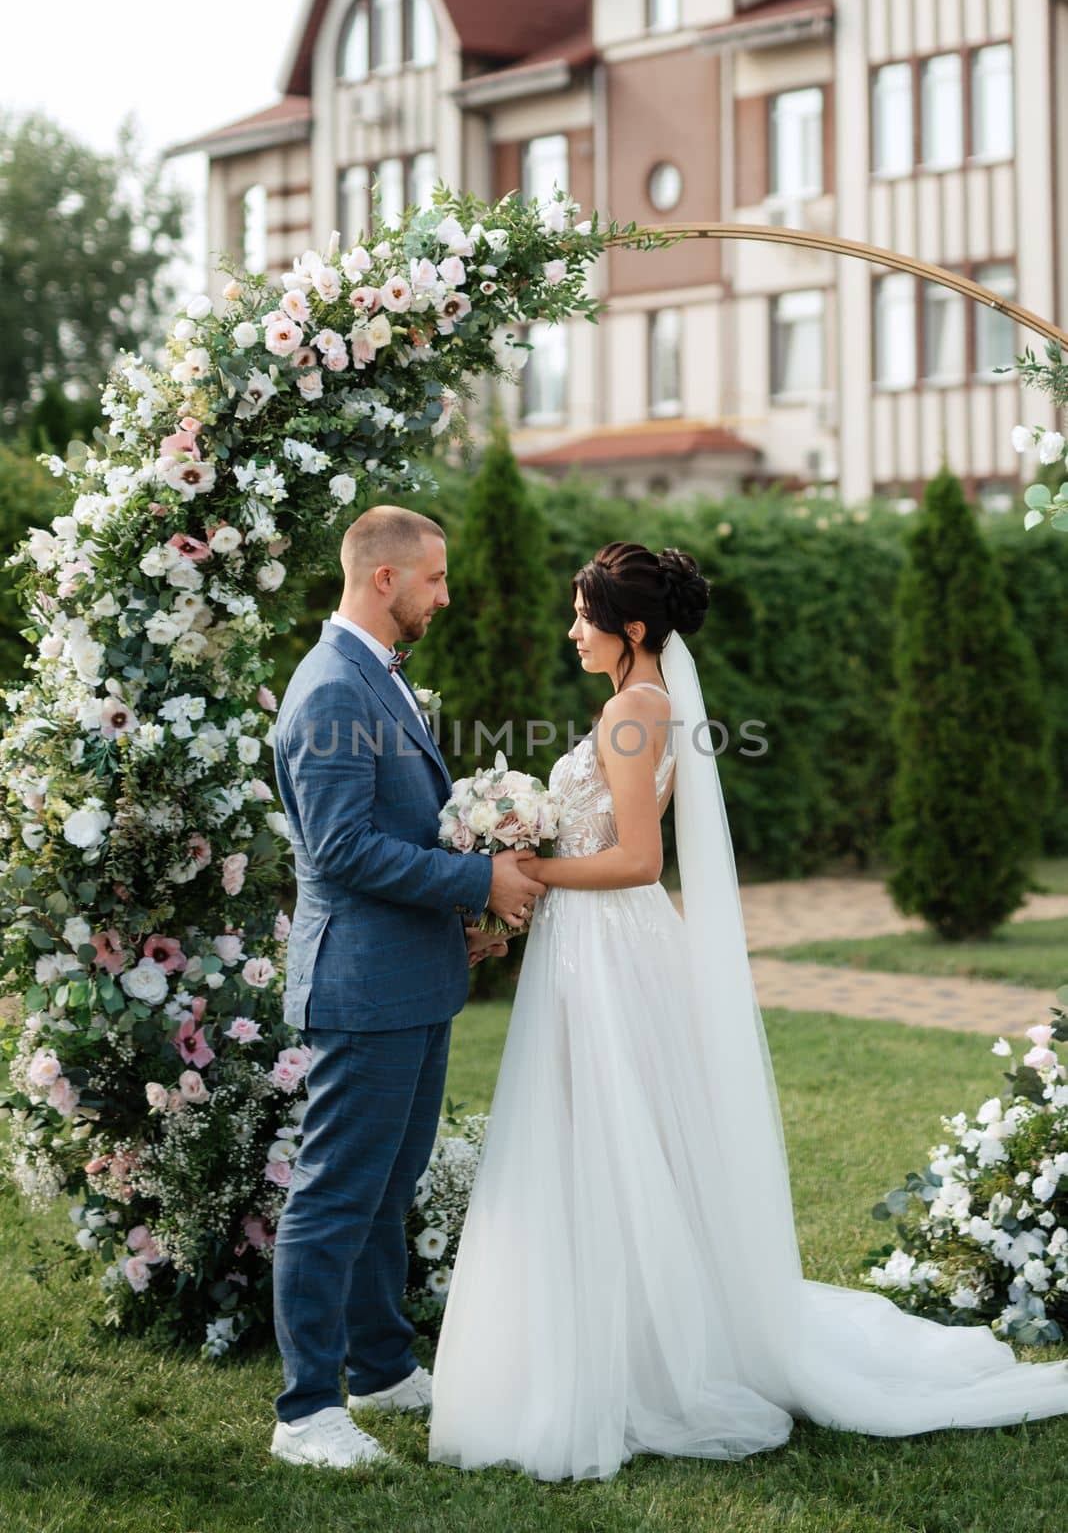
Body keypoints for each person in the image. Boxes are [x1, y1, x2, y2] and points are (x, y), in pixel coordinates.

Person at [428, 539, 1068, 1482]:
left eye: (583, 615)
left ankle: (641, 1356)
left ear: (631, 629)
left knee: (611, 1136)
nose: (571, 630)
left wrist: (521, 872)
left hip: (612, 947)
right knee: (609, 1137)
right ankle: (631, 1329)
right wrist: (512, 900)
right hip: (596, 943)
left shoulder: (631, 714)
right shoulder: (653, 705)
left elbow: (640, 861)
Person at [269, 505, 544, 1469]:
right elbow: (342, 851)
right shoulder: (333, 690)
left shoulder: (377, 678)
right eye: (433, 577)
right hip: (360, 985)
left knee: (388, 1188)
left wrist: (458, 922)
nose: (447, 593)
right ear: (382, 578)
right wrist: (482, 881)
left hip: (411, 978)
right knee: (336, 1195)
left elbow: (399, 829)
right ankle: (305, 1413)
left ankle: (381, 1367)